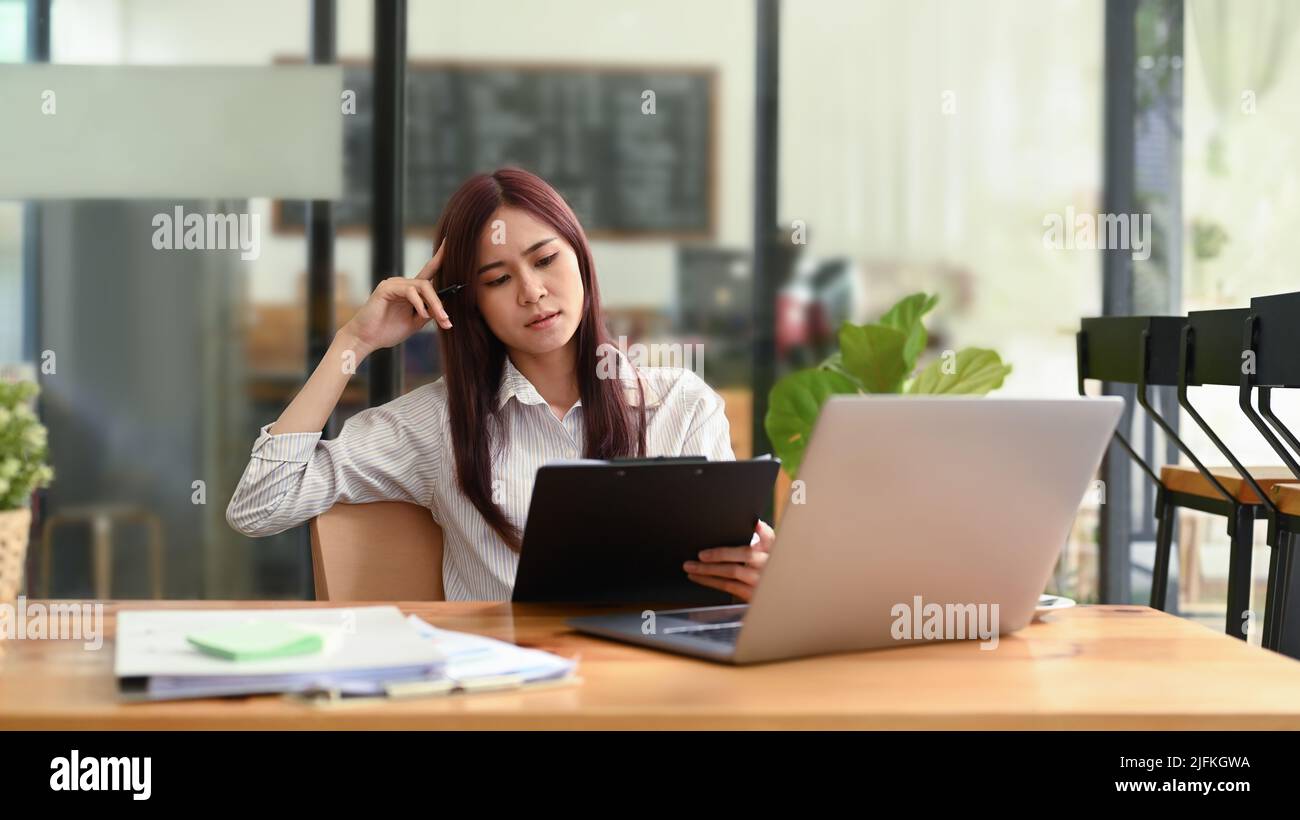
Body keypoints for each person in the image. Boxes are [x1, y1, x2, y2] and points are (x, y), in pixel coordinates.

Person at [226, 167, 775, 601]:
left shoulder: (680, 403)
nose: (532, 292)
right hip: (504, 695)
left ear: (580, 259)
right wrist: (355, 341)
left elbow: (723, 579)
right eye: (498, 279)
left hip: (651, 690)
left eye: (545, 260)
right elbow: (260, 504)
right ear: (470, 301)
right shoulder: (438, 424)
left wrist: (756, 573)